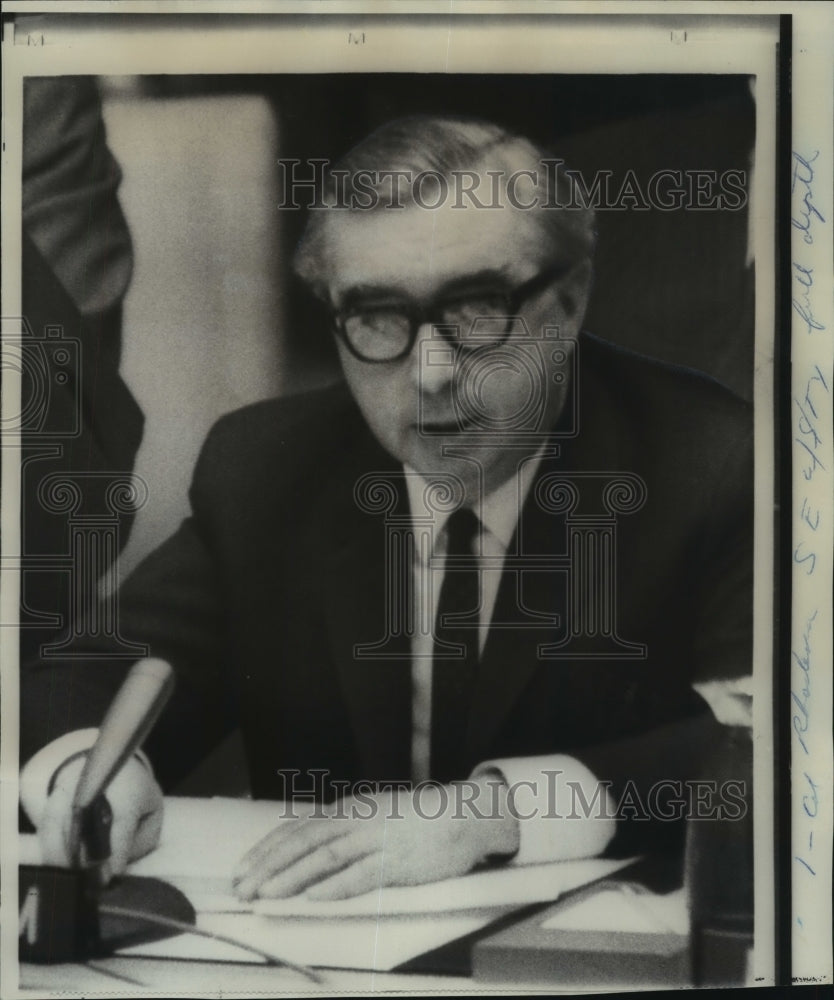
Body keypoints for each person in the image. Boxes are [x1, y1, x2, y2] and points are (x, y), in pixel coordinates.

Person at [20, 115, 753, 902]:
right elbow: (79, 679)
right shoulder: (268, 470)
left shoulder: (714, 464)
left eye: (476, 311)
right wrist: (84, 770)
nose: (432, 374)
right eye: (378, 317)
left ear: (570, 302)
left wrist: (491, 811)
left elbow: (768, 753)